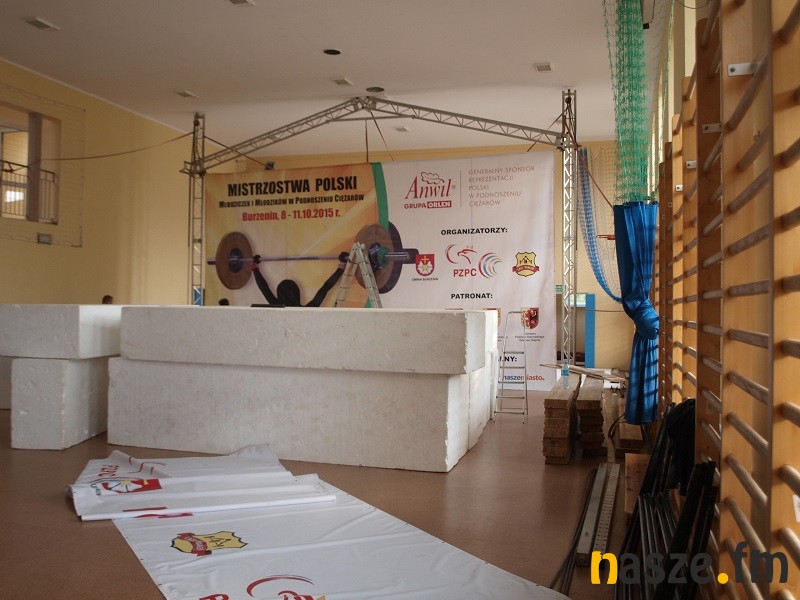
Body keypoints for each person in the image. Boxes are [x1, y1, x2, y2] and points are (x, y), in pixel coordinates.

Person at [251, 251, 349, 307]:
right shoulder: (303, 311)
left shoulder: (276, 305)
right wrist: (341, 267)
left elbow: (263, 288)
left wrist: (255, 268)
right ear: (297, 294)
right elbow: (324, 289)